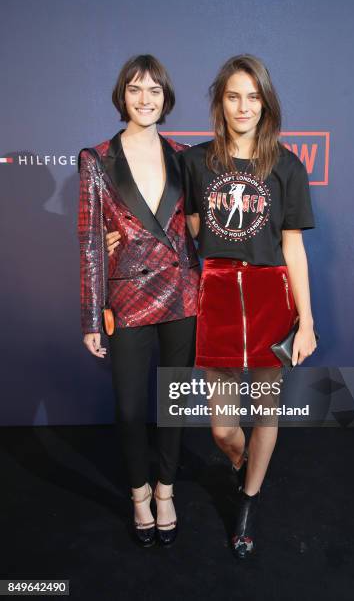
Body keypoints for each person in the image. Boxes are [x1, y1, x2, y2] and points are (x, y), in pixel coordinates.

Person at [179, 54, 317, 559]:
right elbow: (185, 228)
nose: (243, 106)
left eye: (253, 96)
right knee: (222, 428)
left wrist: (307, 321)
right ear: (220, 102)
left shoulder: (286, 165)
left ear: (266, 103)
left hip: (268, 299)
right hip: (215, 297)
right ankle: (241, 466)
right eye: (233, 96)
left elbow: (294, 249)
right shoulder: (195, 162)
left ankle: (248, 501)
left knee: (265, 412)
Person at [78, 54, 200, 548]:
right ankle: (138, 495)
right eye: (135, 90)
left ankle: (166, 491)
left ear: (166, 98)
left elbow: (196, 228)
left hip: (183, 294)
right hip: (128, 295)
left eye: (154, 90)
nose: (145, 99)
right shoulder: (97, 159)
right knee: (130, 408)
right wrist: (91, 316)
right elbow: (89, 241)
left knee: (173, 404)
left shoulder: (185, 155)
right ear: (122, 96)